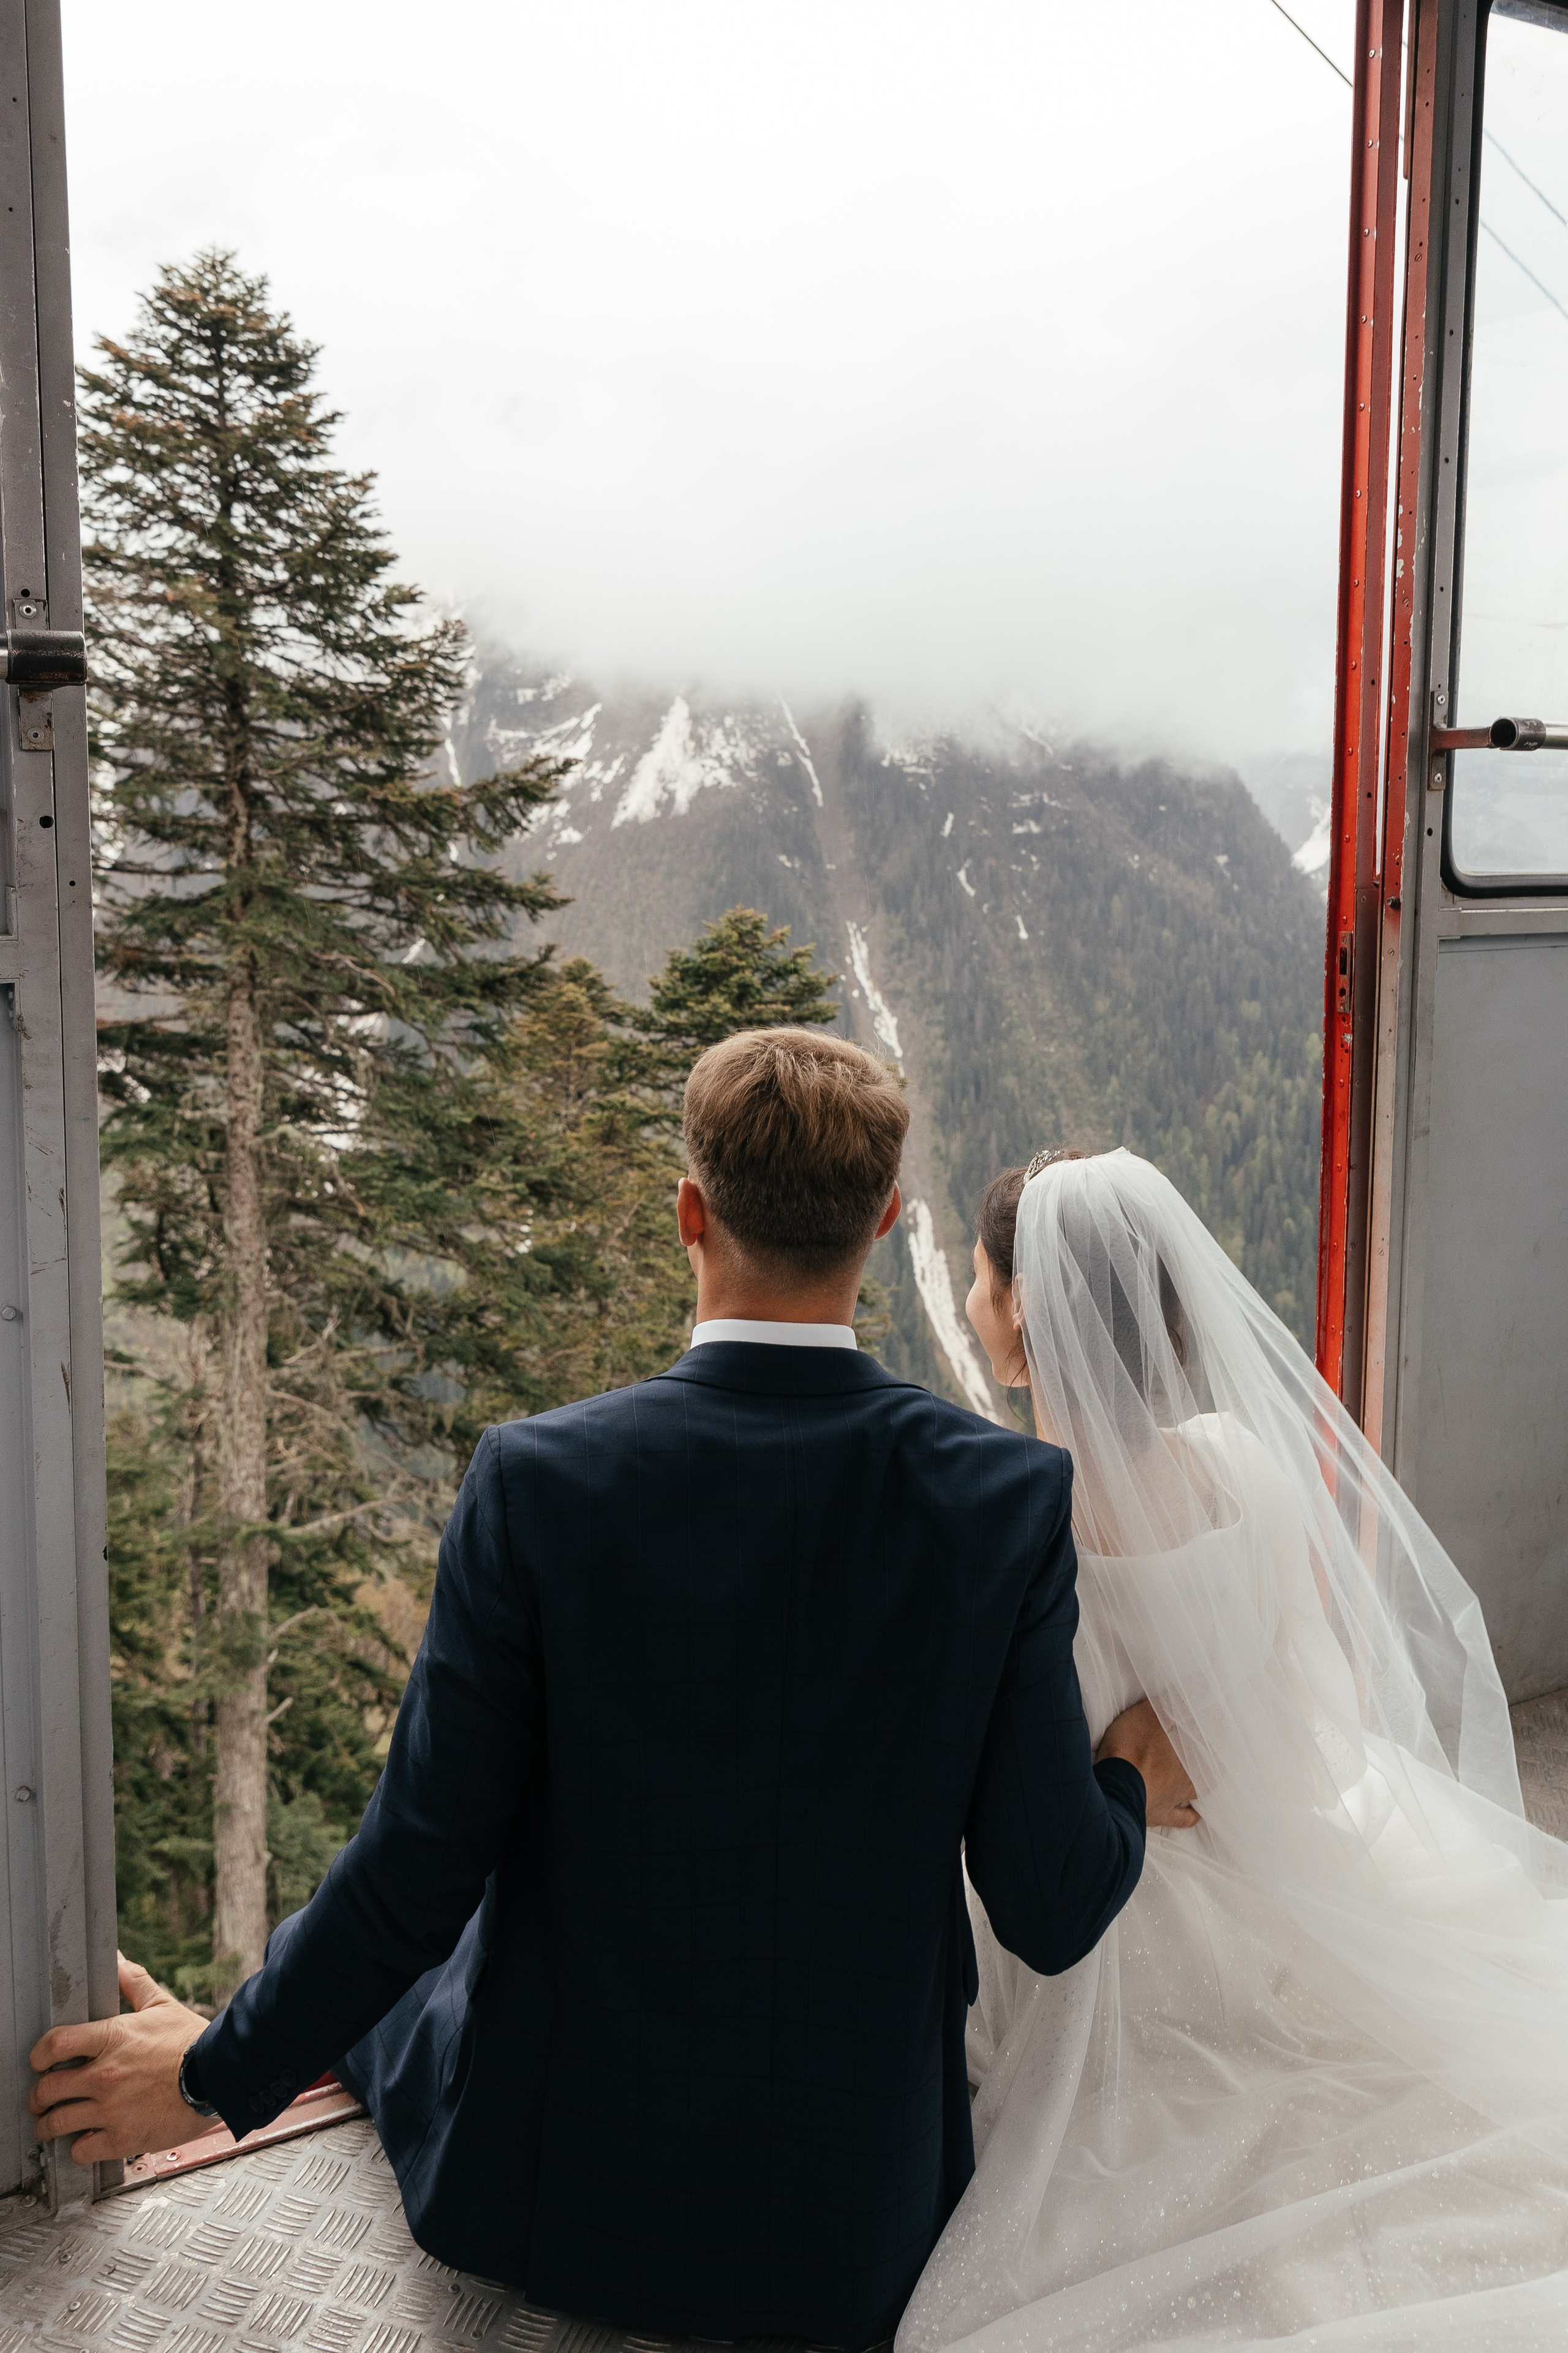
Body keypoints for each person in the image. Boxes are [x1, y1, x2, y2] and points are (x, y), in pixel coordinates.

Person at [29, 1033, 1193, 2348]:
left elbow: (414, 1872)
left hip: (555, 2205)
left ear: (689, 1213)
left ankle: (219, 2031)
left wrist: (208, 2079)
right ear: (881, 1225)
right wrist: (1124, 1775)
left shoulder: (536, 1482)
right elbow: (1050, 1904)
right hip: (863, 2226)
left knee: (424, 1958)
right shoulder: (1005, 1501)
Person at [903, 1144, 1568, 2353]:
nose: (972, 1296)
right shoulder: (1241, 1464)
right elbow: (1311, 1700)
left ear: (1022, 1308)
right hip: (1261, 1864)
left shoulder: (1016, 1522)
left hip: (1090, 1917)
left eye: (984, 1278)